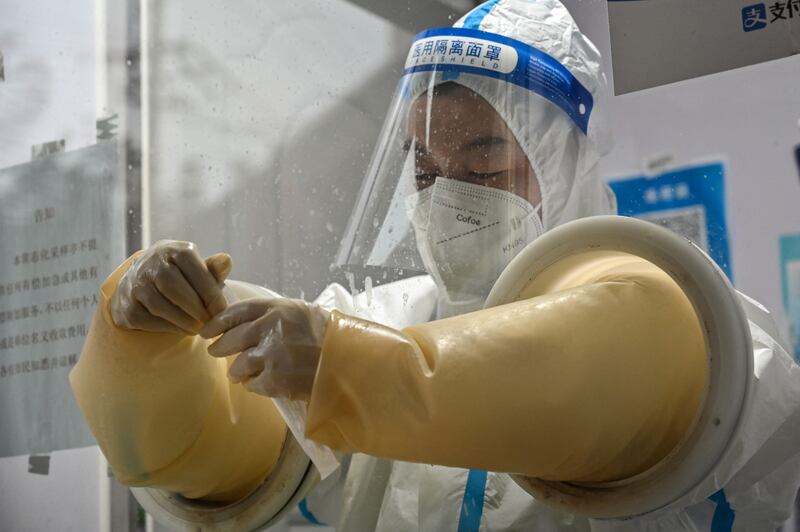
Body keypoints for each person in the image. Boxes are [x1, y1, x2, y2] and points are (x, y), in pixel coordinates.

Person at [70, 0, 800, 530]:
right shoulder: (375, 324)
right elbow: (215, 452)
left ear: (560, 161)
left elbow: (596, 369)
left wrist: (353, 371)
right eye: (424, 170)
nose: (446, 196)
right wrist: (142, 343)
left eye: (482, 163)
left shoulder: (691, 325)